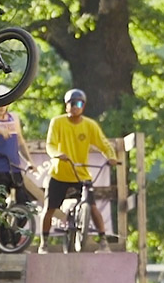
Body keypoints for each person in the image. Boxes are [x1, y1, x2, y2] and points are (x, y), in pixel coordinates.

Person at [37, 88, 118, 254]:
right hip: (59, 173)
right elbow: (50, 144)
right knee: (50, 208)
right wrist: (57, 155)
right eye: (72, 103)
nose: (75, 107)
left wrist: (111, 157)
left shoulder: (90, 125)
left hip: (81, 174)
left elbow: (104, 144)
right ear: (66, 106)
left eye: (79, 103)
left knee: (92, 206)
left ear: (84, 106)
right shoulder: (58, 122)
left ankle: (103, 242)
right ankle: (44, 243)